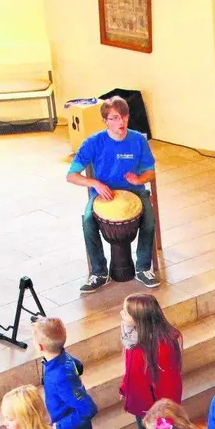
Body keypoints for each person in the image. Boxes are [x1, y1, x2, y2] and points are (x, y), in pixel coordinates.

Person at [68, 95, 158, 292]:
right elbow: (71, 175)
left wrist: (140, 179)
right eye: (115, 118)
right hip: (103, 195)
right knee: (88, 222)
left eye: (124, 116)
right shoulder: (93, 143)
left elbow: (150, 171)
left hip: (134, 193)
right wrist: (94, 184)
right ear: (105, 121)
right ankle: (99, 272)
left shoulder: (138, 140)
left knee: (149, 220)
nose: (121, 122)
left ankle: (143, 268)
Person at [120, 293, 185, 429]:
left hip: (157, 411)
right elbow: (130, 368)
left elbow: (170, 388)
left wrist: (164, 425)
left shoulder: (162, 347)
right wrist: (125, 388)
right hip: (140, 402)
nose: (121, 314)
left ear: (140, 318)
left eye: (126, 312)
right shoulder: (132, 336)